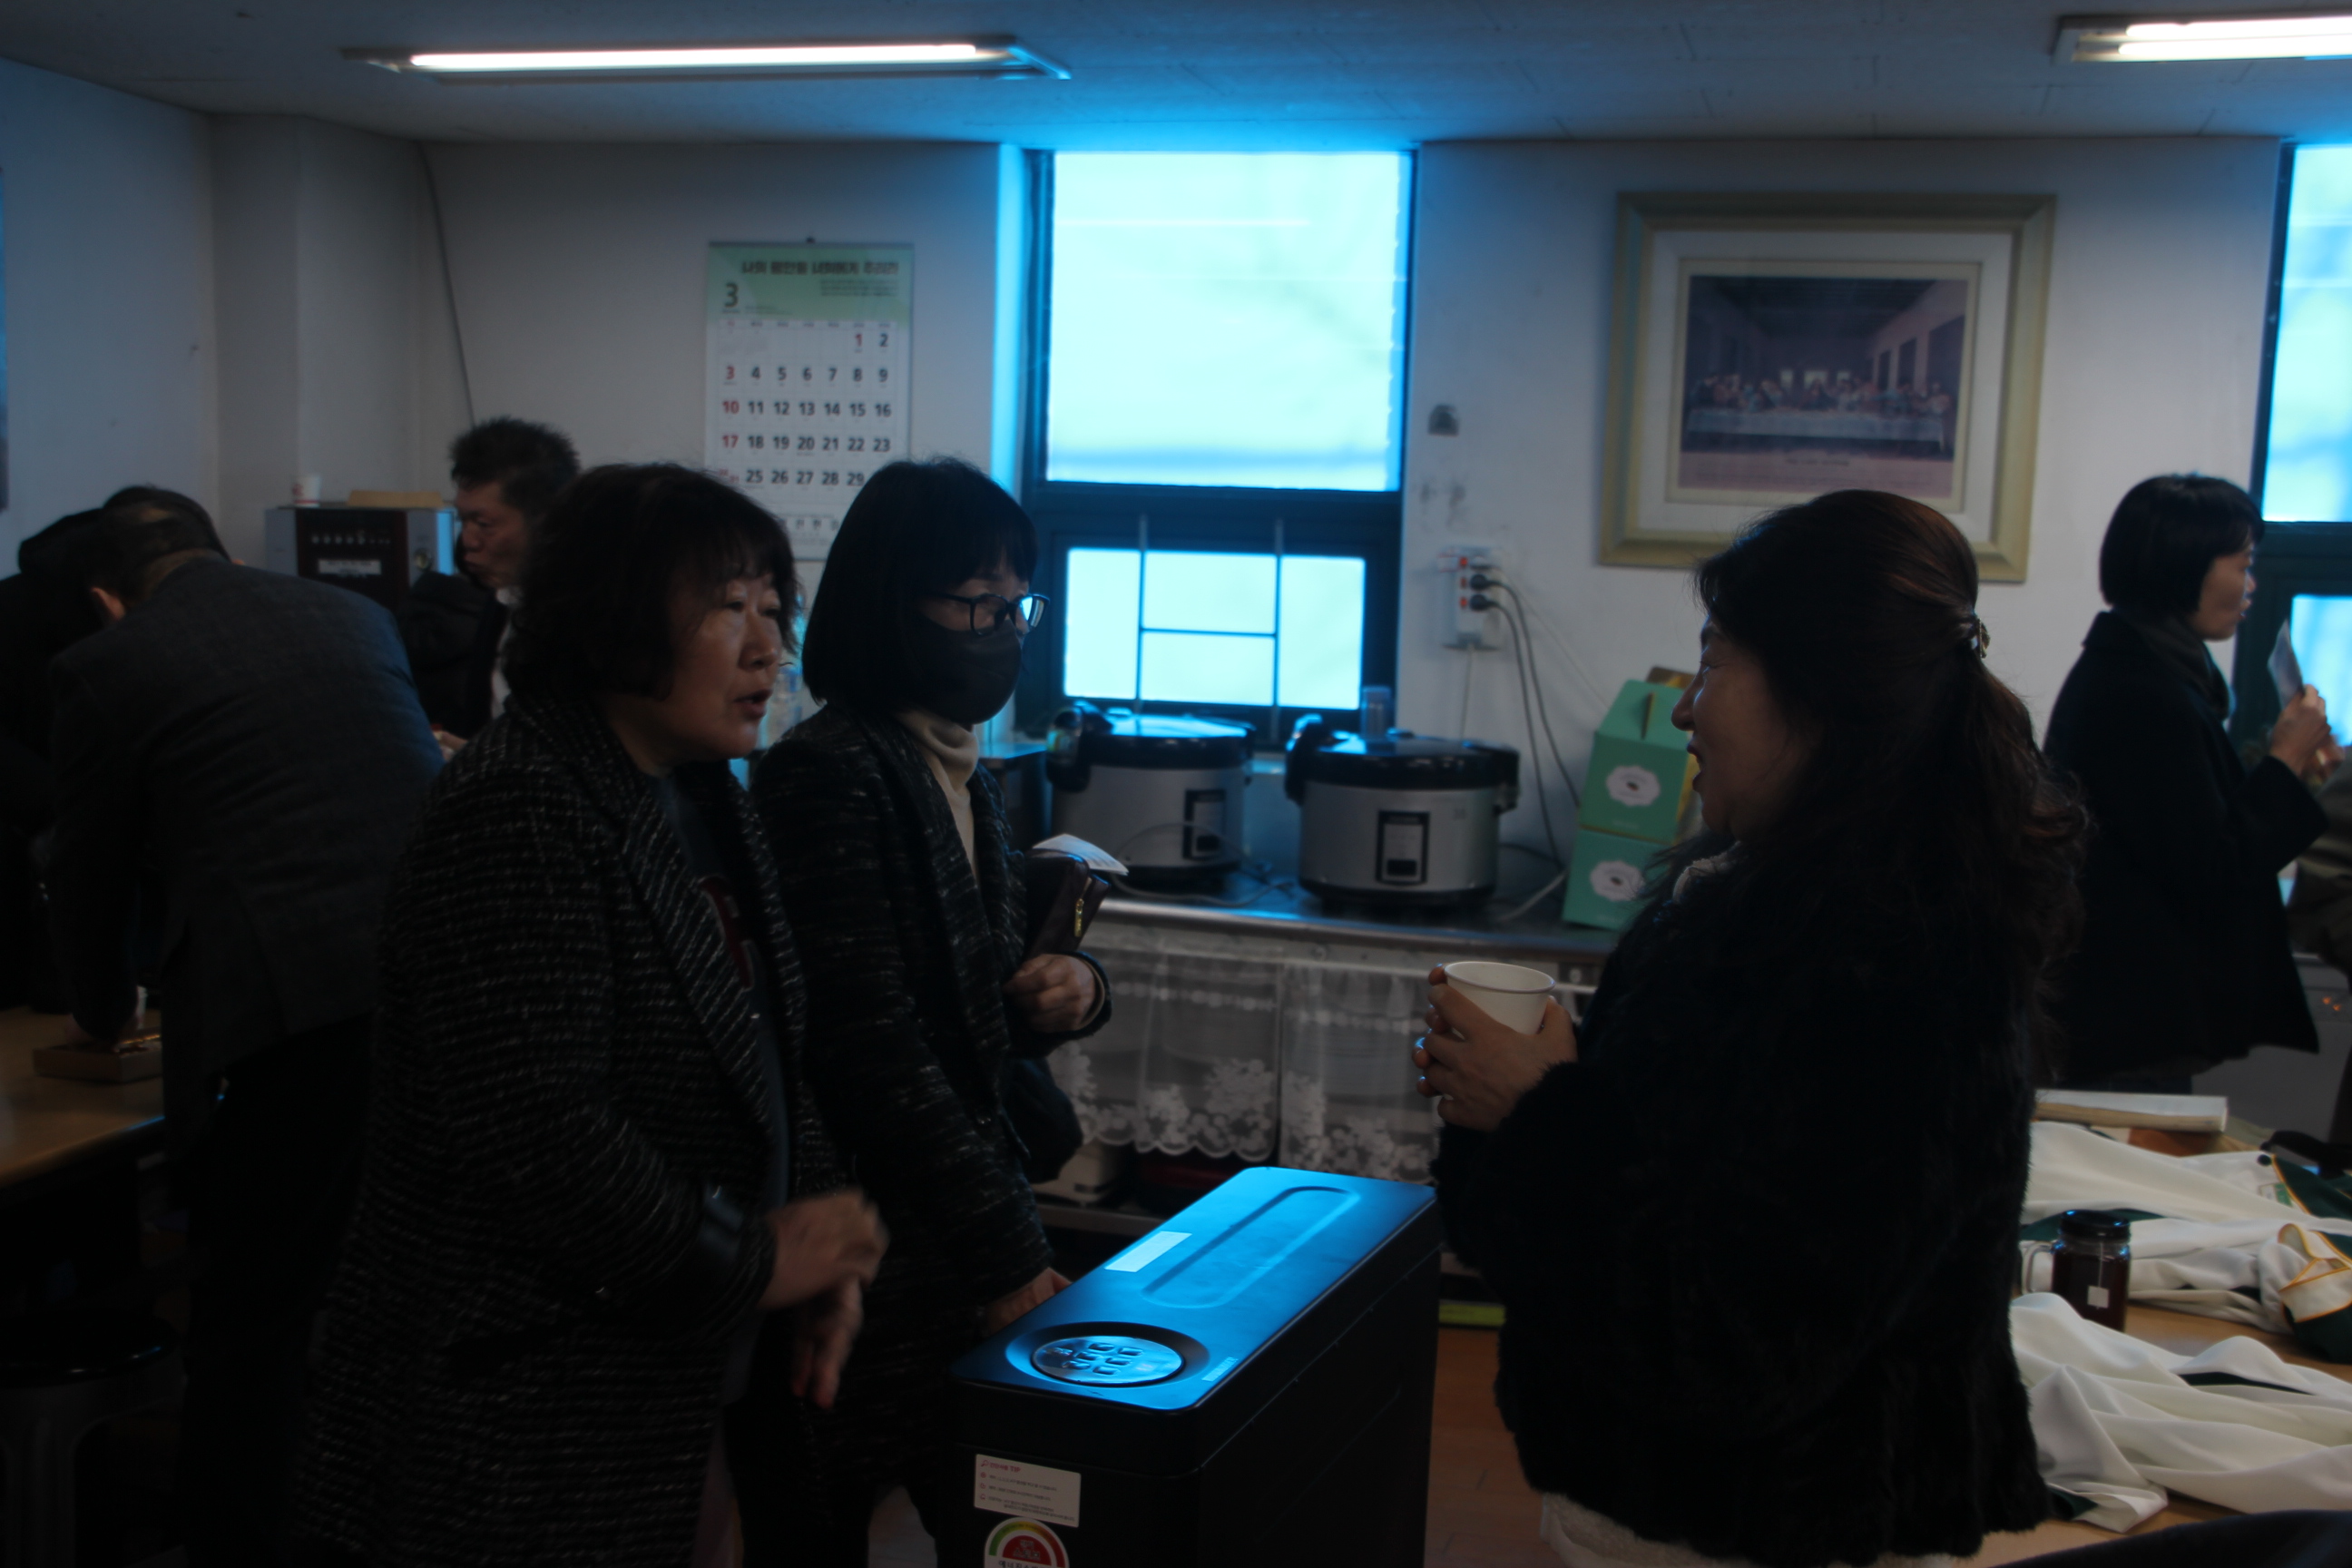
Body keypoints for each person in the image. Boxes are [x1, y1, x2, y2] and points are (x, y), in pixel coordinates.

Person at [1420, 490, 2084, 1568]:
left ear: (1822, 699)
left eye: (1714, 661)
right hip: (1660, 1503)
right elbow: (1619, 1213)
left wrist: (1540, 1115)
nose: (1686, 708)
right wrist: (1503, 1102)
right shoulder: (1743, 896)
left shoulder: (1899, 958)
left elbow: (1740, 1353)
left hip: (1777, 1531)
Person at [295, 464, 886, 1568]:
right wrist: (754, 1262)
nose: (769, 649)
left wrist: (813, 1238)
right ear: (613, 616)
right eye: (729, 607)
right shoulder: (521, 805)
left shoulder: (704, 791)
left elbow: (765, 1049)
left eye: (774, 607)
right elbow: (539, 1131)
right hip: (525, 1396)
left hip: (678, 1363)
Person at [43, 493, 442, 1566]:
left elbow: (86, 876)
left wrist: (100, 1010)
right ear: (215, 551)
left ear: (106, 598)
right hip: (444, 978)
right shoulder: (353, 616)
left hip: (301, 1012)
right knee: (388, 1290)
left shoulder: (110, 666)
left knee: (252, 1321)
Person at [730, 457, 1112, 1563]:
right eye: (976, 603)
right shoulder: (828, 772)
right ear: (891, 604)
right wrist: (1005, 1252)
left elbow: (981, 992)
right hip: (866, 1236)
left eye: (1017, 605)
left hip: (941, 1224)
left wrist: (1078, 989)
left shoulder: (959, 770)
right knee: (838, 1511)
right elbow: (869, 1042)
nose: (1002, 632)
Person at [2045, 475, 2332, 1093]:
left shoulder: (2151, 672)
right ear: (2185, 566)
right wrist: (2284, 758)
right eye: (2243, 565)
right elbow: (2212, 865)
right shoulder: (2138, 691)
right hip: (2128, 1015)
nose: (2252, 585)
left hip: (2134, 1012)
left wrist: (2289, 767)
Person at [413, 416, 582, 740]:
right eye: (463, 521)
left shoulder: (580, 623)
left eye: (483, 525)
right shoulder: (500, 599)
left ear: (546, 523)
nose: (468, 541)